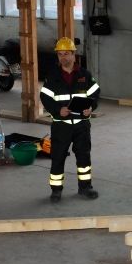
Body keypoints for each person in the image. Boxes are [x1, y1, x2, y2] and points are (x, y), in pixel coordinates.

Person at [40, 37, 101, 202]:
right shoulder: (52, 77)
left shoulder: (84, 75)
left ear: (74, 55)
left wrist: (91, 108)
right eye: (60, 54)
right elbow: (45, 98)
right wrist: (58, 110)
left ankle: (85, 187)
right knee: (58, 157)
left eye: (67, 54)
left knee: (84, 157)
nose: (63, 58)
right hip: (61, 126)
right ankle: (56, 190)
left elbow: (95, 93)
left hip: (81, 125)